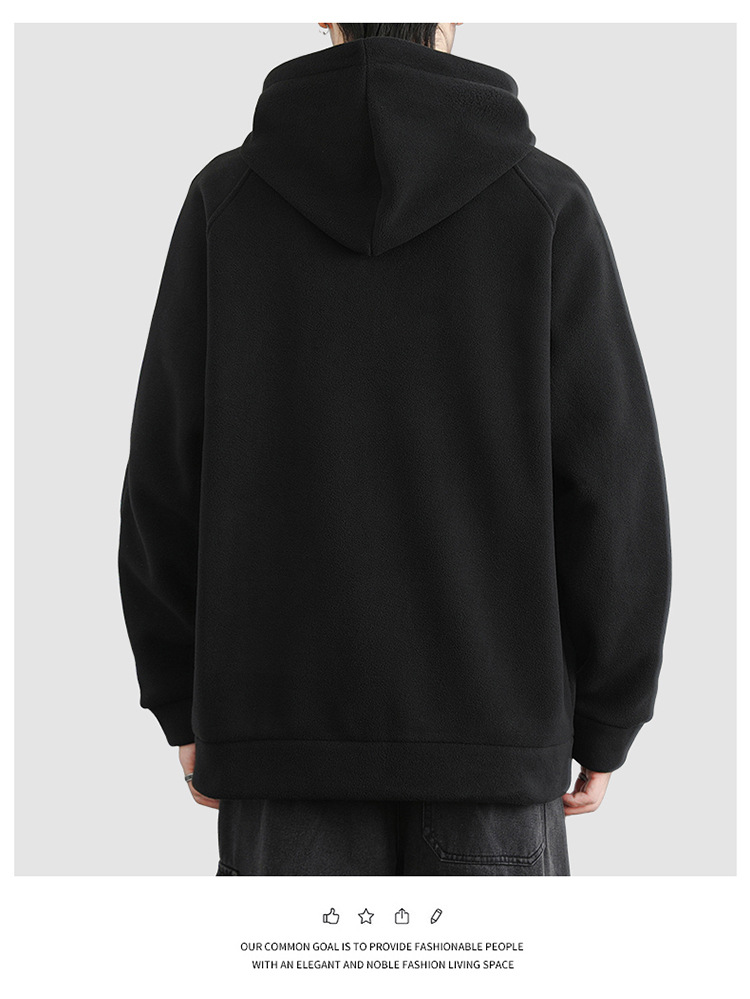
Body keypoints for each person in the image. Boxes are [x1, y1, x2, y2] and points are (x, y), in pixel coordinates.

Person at [118, 22, 672, 876]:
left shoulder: (225, 203)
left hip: (279, 754)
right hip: (491, 756)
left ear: (325, 16)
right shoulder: (544, 203)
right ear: (454, 16)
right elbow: (611, 483)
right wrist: (610, 714)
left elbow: (164, 478)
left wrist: (180, 703)